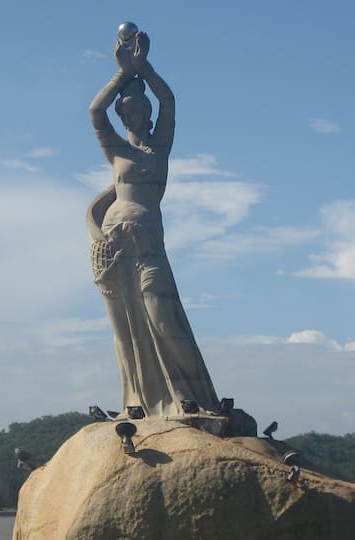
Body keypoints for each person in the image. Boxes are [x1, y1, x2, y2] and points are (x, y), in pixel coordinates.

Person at [87, 30, 219, 418]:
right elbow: (95, 112)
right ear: (122, 115)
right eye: (127, 112)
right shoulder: (117, 151)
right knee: (127, 332)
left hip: (149, 249)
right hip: (114, 249)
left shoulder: (159, 146)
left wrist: (143, 68)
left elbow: (169, 100)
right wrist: (121, 74)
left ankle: (197, 398)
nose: (135, 117)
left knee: (165, 321)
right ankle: (139, 402)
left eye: (140, 111)